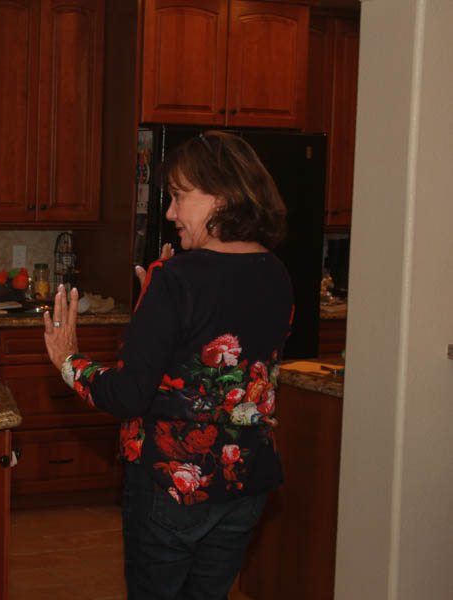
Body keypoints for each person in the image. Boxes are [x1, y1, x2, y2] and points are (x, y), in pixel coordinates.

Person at [44, 130, 294, 599]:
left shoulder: (177, 277)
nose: (170, 212)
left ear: (222, 197)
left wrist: (68, 359)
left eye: (180, 197)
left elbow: (127, 394)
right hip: (245, 481)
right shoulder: (276, 273)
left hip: (175, 485)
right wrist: (157, 313)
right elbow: (222, 362)